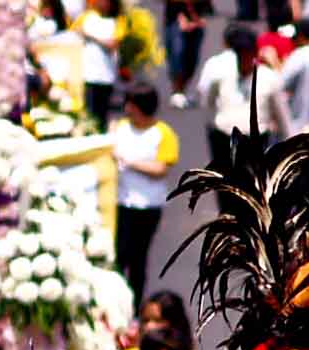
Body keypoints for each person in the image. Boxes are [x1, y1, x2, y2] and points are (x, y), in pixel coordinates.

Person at [111, 86, 179, 296]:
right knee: (119, 255)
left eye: (131, 104)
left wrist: (129, 162)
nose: (127, 108)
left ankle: (134, 303)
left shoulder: (163, 133)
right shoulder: (120, 127)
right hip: (121, 201)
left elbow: (160, 169)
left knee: (138, 257)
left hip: (148, 205)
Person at [192, 23, 270, 173]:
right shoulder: (223, 70)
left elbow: (203, 93)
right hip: (233, 134)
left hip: (233, 133)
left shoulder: (215, 64)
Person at [77, 0, 124, 128]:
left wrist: (92, 37)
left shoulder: (118, 21)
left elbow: (113, 44)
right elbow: (75, 30)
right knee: (90, 113)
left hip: (106, 74)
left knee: (103, 112)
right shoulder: (87, 17)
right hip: (90, 73)